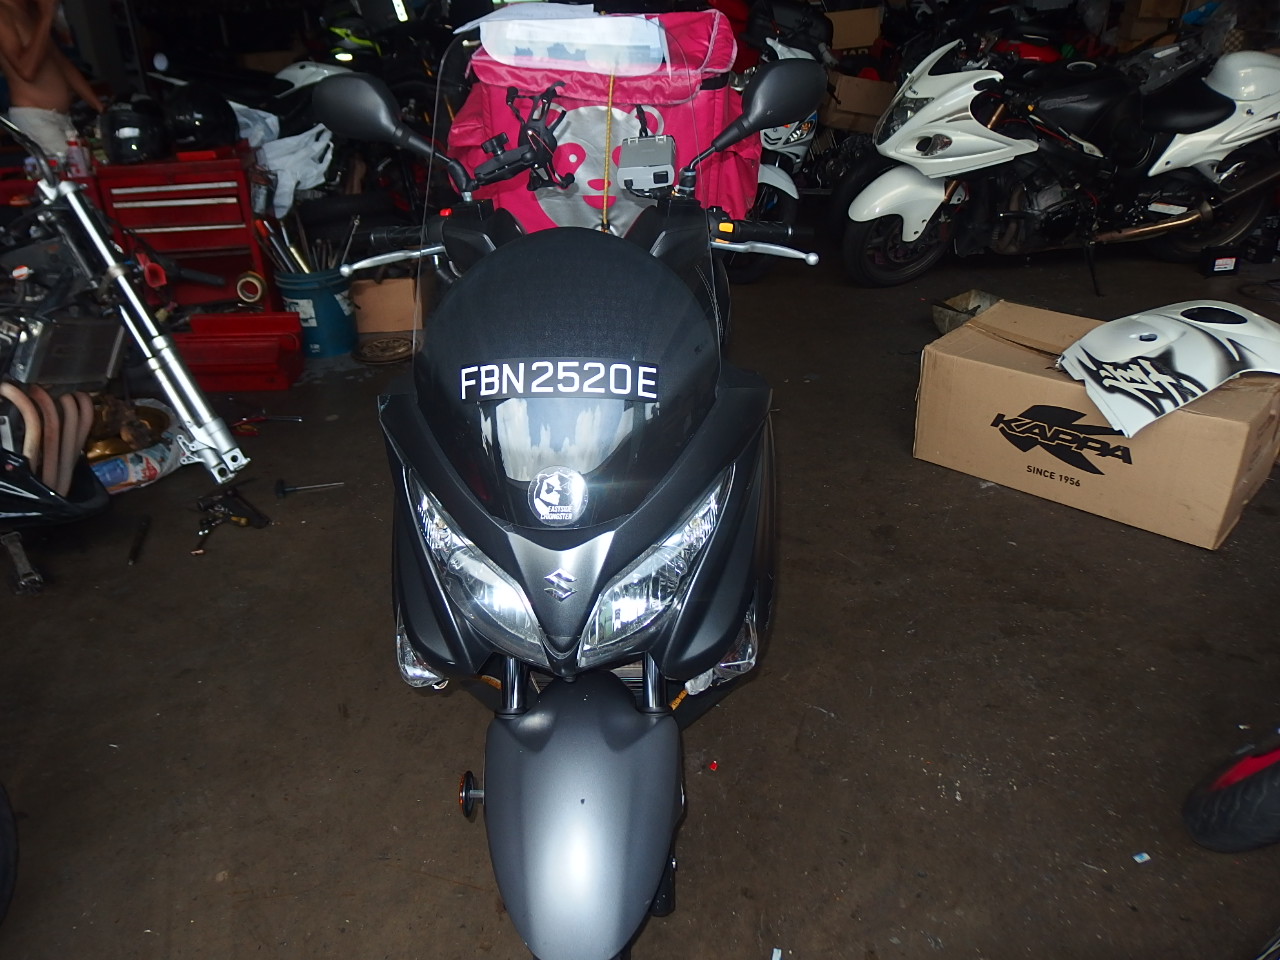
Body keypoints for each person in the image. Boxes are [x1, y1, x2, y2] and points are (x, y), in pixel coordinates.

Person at [0, 0, 102, 159]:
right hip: (35, 116)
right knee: (73, 168)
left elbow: (61, 63)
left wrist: (97, 105)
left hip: (61, 117)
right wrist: (46, 17)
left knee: (86, 164)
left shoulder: (31, 12)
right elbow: (26, 71)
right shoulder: (3, 14)